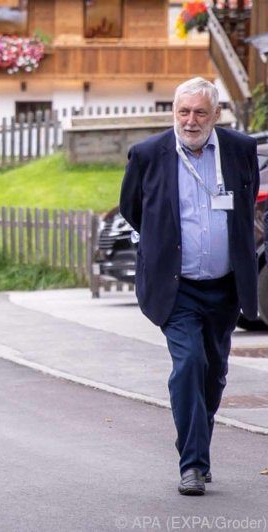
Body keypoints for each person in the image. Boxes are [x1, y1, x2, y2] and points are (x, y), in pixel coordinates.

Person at [120, 77, 259, 496]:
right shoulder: (148, 155)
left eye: (200, 112)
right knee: (190, 365)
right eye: (184, 111)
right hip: (176, 287)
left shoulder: (240, 150)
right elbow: (133, 208)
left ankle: (195, 440)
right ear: (173, 113)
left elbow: (248, 201)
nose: (191, 120)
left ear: (216, 114)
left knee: (214, 373)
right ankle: (193, 464)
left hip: (225, 286)